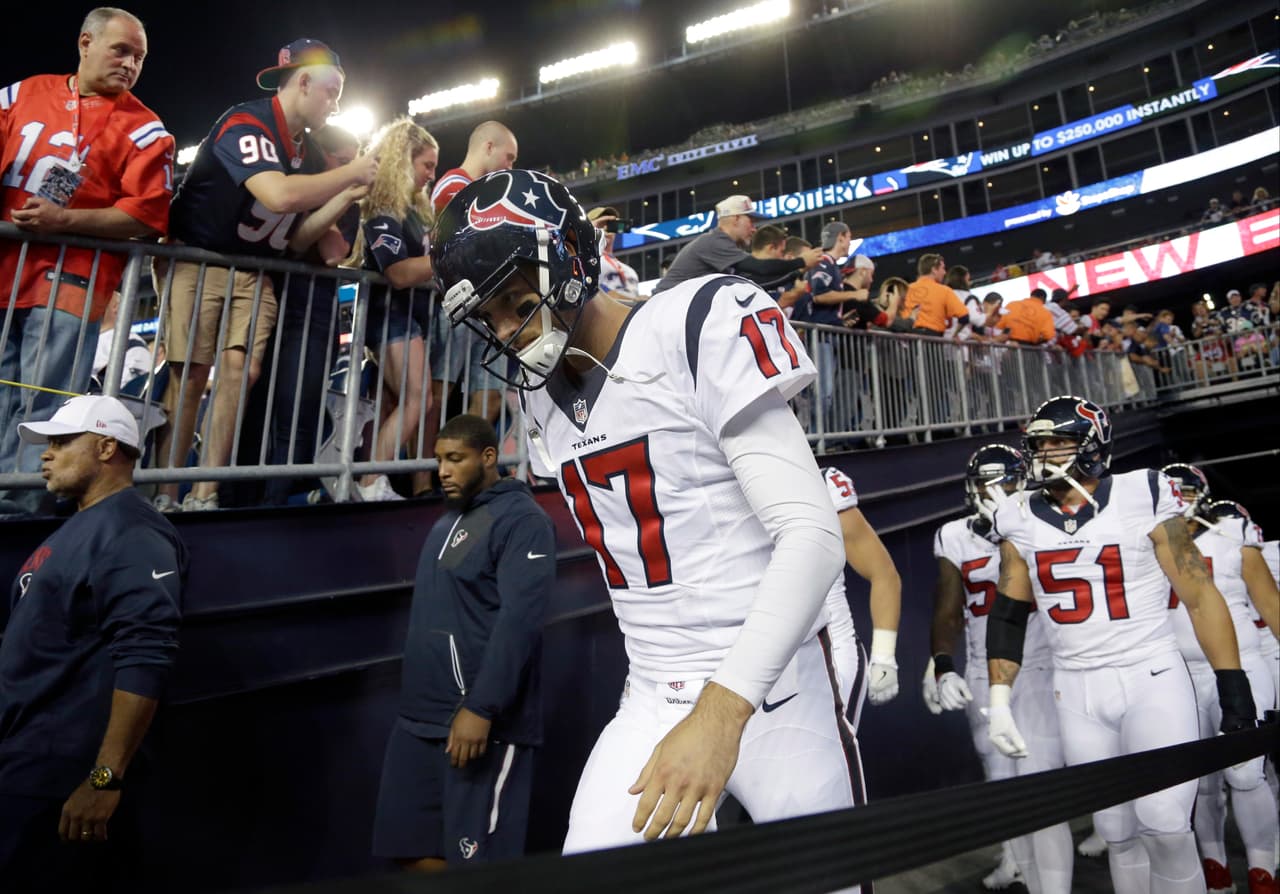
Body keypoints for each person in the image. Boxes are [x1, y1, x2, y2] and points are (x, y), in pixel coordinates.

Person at [432, 170, 850, 853]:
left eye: (516, 300)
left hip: (773, 682)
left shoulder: (694, 320)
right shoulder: (539, 396)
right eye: (490, 316)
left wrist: (721, 712)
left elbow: (812, 534)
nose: (507, 330)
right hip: (651, 688)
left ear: (570, 260)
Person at [986, 395, 1256, 894]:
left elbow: (1198, 593)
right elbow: (1007, 614)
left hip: (1150, 676)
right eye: (1039, 444)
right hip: (1075, 689)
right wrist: (999, 700)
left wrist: (1232, 684)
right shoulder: (1017, 514)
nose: (1044, 455)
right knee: (1115, 832)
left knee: (1165, 823)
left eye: (1058, 444)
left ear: (1094, 448)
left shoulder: (1144, 492)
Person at [155, 37, 377, 511]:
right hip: (202, 256)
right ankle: (165, 493)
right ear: (302, 82)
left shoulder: (310, 153)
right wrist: (350, 172)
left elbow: (300, 239)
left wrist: (345, 194)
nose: (335, 104)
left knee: (241, 371)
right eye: (332, 91)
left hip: (253, 270)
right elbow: (277, 196)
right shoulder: (247, 120)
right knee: (191, 374)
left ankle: (206, 492)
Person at [0, 394, 186, 891]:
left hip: (62, 781)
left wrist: (104, 781)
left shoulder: (132, 532)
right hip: (28, 765)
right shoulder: (80, 527)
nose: (46, 454)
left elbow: (145, 658)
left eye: (61, 442)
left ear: (107, 449)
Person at [0, 8, 174, 515]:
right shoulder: (23, 93)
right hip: (6, 270)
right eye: (121, 50)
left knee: (41, 402)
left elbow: (146, 216)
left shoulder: (145, 127)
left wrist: (64, 220)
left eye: (139, 57)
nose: (130, 64)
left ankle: (20, 510)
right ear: (85, 42)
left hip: (71, 280)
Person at [372, 413, 554, 868]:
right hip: (419, 720)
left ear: (488, 457)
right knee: (411, 853)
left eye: (456, 459)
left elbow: (520, 621)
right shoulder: (448, 520)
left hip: (478, 725)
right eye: (439, 460)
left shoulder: (523, 520)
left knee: (478, 870)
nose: (443, 471)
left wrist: (482, 707)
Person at [925, 444, 1074, 894]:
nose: (993, 491)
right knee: (1004, 788)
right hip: (981, 668)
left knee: (1039, 789)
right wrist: (941, 664)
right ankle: (1022, 870)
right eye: (984, 483)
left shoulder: (1041, 522)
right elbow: (948, 608)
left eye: (1003, 481)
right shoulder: (954, 534)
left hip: (1037, 665)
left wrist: (1014, 526)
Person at [1158, 474, 1279, 894]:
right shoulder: (1146, 539)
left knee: (1245, 773)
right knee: (1201, 783)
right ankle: (1215, 868)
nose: (1178, 502)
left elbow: (1270, 602)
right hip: (1178, 673)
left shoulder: (1230, 532)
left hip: (1240, 663)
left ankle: (1263, 869)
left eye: (1185, 493)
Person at [349, 118, 438, 502]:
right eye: (427, 165)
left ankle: (373, 481)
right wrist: (451, 260)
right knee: (420, 398)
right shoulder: (384, 208)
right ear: (405, 160)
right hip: (389, 315)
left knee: (400, 400)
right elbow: (399, 273)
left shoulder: (410, 207)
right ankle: (370, 483)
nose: (431, 175)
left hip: (406, 317)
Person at [427, 121, 519, 433]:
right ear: (488, 147)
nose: (510, 166)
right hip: (455, 301)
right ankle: (423, 480)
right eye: (509, 157)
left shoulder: (478, 192)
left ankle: (464, 467)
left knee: (491, 397)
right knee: (438, 395)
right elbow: (464, 244)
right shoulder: (453, 185)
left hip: (485, 304)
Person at [817, 465, 901, 718]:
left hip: (827, 653)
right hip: (757, 656)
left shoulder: (818, 484)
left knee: (830, 754)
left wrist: (884, 657)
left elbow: (883, 573)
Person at [652, 194, 820, 293]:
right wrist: (802, 261)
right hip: (663, 306)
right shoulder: (714, 241)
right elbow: (760, 267)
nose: (754, 229)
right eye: (751, 221)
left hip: (675, 308)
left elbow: (757, 282)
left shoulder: (726, 246)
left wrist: (796, 272)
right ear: (736, 219)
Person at [900, 253, 968, 337]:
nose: (944, 272)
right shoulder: (944, 290)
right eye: (942, 268)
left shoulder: (905, 290)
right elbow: (964, 317)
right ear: (934, 270)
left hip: (908, 341)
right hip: (933, 341)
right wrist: (955, 335)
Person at [587, 206, 639, 302]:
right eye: (600, 225)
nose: (605, 229)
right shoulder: (588, 262)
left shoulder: (630, 271)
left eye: (609, 225)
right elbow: (599, 292)